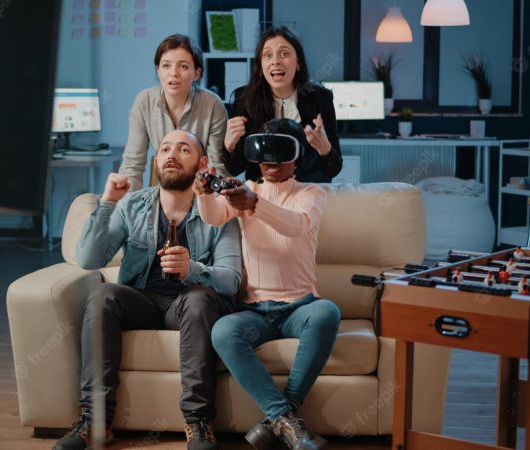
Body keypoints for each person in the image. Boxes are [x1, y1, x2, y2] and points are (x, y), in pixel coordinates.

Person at [56, 130, 242, 450]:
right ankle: (95, 421)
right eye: (165, 148)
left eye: (183, 149)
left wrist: (193, 269)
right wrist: (107, 203)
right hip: (141, 300)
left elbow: (231, 280)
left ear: (201, 164)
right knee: (102, 295)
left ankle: (198, 422)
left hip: (188, 305)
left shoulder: (219, 213)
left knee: (200, 299)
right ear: (156, 161)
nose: (171, 154)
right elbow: (88, 258)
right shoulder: (132, 204)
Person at [195, 119, 340, 450]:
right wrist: (204, 195)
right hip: (255, 311)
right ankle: (285, 422)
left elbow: (297, 226)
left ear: (297, 158)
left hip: (300, 308)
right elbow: (213, 218)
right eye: (265, 155)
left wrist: (255, 205)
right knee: (222, 331)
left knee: (327, 312)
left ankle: (276, 420)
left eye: (280, 154)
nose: (271, 163)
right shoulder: (248, 188)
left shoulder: (311, 194)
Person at [222, 26, 342, 183]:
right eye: (268, 55)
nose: (275, 61)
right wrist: (228, 146)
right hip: (263, 196)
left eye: (284, 54)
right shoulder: (244, 99)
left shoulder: (320, 98)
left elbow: (333, 170)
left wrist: (325, 149)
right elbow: (235, 169)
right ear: (260, 66)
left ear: (298, 62)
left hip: (307, 193)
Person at [118, 34, 228, 191]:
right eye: (166, 65)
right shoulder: (144, 101)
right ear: (158, 70)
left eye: (183, 66)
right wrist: (126, 208)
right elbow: (132, 165)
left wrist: (213, 208)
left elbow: (216, 166)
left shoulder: (212, 104)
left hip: (201, 190)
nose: (173, 73)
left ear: (196, 73)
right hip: (164, 187)